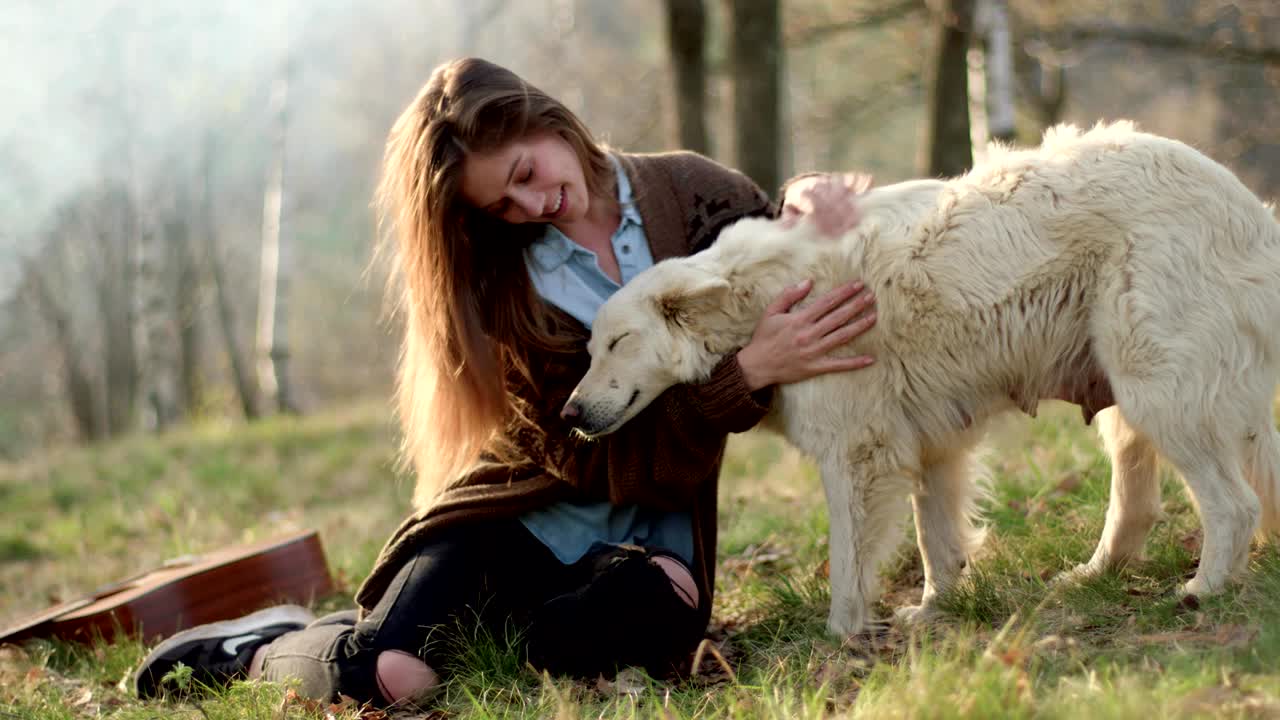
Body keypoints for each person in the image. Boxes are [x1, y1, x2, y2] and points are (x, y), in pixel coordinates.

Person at [132, 57, 876, 708]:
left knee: (650, 626)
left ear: (548, 121)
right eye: (503, 206)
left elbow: (773, 252)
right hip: (518, 521)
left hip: (650, 541)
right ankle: (263, 650)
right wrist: (741, 378)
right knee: (391, 677)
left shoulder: (688, 191)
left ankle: (478, 633)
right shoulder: (510, 287)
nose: (531, 207)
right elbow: (581, 449)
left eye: (524, 175)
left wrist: (805, 194)